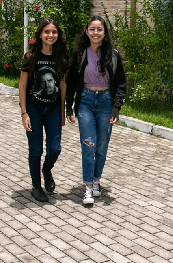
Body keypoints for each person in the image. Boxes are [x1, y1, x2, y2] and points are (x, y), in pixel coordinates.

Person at [66, 15, 127, 205]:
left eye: (99, 29)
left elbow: (121, 84)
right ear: (87, 31)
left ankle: (96, 179)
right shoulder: (80, 55)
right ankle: (88, 188)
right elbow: (71, 81)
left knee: (101, 147)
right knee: (88, 144)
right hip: (85, 101)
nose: (95, 33)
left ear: (104, 32)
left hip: (105, 103)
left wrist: (116, 108)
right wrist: (69, 105)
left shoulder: (113, 55)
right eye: (92, 29)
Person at [19, 18, 69, 202]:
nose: (50, 35)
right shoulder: (31, 57)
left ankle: (46, 169)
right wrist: (24, 113)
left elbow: (62, 84)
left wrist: (63, 112)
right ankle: (36, 186)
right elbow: (22, 85)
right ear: (40, 34)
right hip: (34, 109)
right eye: (47, 32)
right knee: (35, 149)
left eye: (54, 32)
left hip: (54, 109)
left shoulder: (61, 57)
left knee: (55, 149)